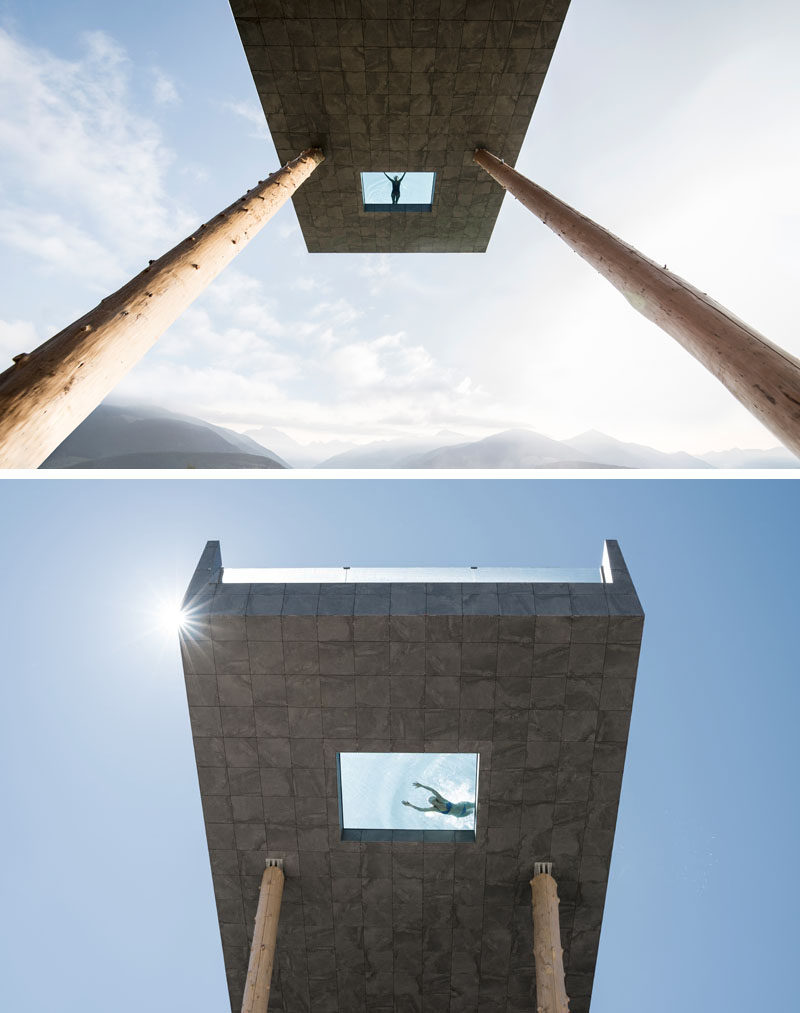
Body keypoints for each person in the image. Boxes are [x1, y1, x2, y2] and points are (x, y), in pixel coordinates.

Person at [402, 781, 475, 818]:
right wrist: (410, 805)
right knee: (474, 812)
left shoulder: (441, 799)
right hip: (460, 814)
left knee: (476, 805)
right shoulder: (434, 809)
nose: (432, 801)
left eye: (433, 799)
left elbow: (432, 790)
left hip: (462, 806)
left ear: (436, 799)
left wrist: (422, 786)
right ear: (431, 803)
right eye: (431, 801)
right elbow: (421, 810)